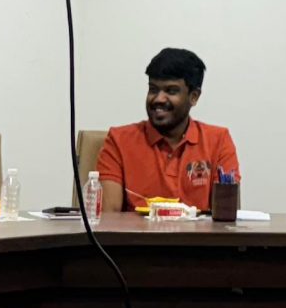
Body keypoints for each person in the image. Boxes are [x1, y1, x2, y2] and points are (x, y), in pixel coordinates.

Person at [97, 47, 239, 212]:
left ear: (194, 97)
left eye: (171, 91)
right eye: (153, 89)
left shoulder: (219, 141)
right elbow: (108, 218)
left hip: (198, 230)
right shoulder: (119, 140)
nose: (158, 99)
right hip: (136, 230)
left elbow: (225, 217)